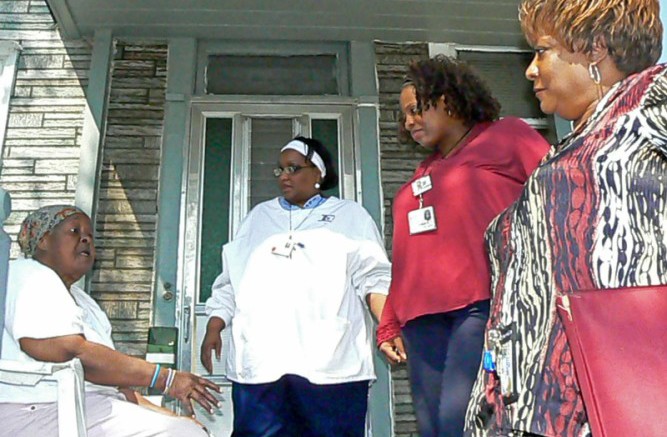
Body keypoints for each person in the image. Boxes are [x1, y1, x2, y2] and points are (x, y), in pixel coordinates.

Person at [464, 1, 667, 436]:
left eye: (542, 50)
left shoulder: (649, 102)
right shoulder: (573, 146)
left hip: (612, 407)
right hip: (530, 408)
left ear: (594, 48)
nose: (531, 70)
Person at [377, 56, 550, 437]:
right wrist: (389, 319)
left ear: (449, 100)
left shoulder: (506, 136)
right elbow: (407, 255)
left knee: (463, 418)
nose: (409, 122)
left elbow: (559, 192)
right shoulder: (423, 173)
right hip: (420, 317)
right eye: (404, 115)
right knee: (433, 427)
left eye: (416, 109)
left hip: (479, 304)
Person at [200, 136, 391, 437]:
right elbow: (230, 281)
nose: (284, 176)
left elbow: (374, 277)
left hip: (330, 364)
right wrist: (214, 325)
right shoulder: (258, 218)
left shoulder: (350, 216)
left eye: (293, 168)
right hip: (263, 363)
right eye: (280, 170)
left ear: (319, 172)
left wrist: (388, 325)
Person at [0, 205, 220, 436]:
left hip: (87, 407)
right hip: (38, 411)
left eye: (90, 236)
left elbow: (117, 388)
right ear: (44, 241)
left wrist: (175, 417)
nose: (85, 239)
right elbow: (68, 351)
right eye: (74, 231)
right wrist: (166, 379)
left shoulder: (85, 303)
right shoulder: (27, 273)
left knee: (188, 431)